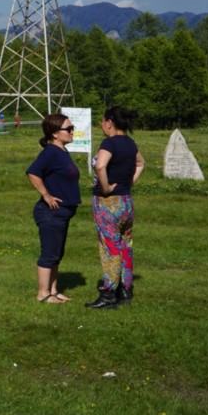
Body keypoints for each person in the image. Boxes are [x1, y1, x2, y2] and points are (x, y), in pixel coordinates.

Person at [85, 106, 145, 310]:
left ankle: (109, 294)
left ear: (109, 122)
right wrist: (129, 183)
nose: (101, 126)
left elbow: (100, 165)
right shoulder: (130, 143)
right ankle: (125, 290)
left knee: (109, 246)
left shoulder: (109, 142)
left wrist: (106, 187)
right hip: (126, 201)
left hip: (108, 203)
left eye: (102, 122)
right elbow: (141, 163)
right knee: (125, 244)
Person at [26, 112, 81, 304]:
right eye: (69, 129)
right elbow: (33, 172)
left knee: (57, 253)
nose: (72, 131)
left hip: (63, 213)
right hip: (50, 213)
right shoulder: (50, 152)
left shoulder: (62, 152)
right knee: (49, 252)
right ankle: (43, 294)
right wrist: (46, 195)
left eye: (72, 128)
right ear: (55, 133)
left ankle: (54, 290)